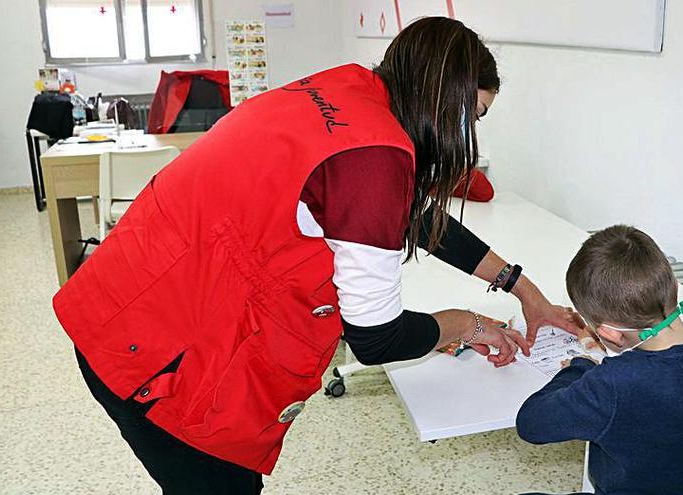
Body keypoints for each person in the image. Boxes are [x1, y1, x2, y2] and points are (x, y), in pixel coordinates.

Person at [53, 17, 584, 494]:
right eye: (473, 116)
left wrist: (525, 292)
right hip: (159, 359)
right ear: (444, 101)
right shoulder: (375, 156)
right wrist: (468, 324)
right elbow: (377, 338)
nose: (468, 134)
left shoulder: (347, 91)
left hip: (123, 301)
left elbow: (414, 216)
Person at [516, 225, 683, 495]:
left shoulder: (613, 384)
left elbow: (531, 423)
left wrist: (581, 367)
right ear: (672, 284)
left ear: (609, 334)